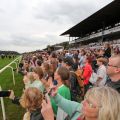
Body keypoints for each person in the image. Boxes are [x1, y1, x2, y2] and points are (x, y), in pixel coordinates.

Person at [41, 86, 120, 120]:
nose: (82, 102)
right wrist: (55, 95)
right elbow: (63, 102)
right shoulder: (80, 109)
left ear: (104, 112)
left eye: (89, 103)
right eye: (85, 98)